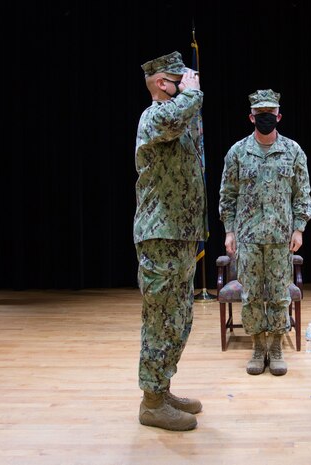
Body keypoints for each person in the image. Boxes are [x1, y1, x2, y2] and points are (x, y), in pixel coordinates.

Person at [133, 51, 207, 431]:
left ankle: (162, 389)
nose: (189, 81)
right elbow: (177, 117)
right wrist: (192, 93)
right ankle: (151, 401)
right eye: (181, 78)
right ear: (164, 83)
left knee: (178, 318)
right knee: (161, 319)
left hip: (179, 235)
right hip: (160, 237)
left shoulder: (176, 120)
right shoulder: (156, 117)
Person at [219, 89, 311, 376]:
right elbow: (228, 195)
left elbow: (302, 194)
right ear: (251, 117)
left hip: (280, 238)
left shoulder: (293, 151)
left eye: (269, 116)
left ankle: (276, 347)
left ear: (278, 117)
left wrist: (299, 228)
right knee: (252, 296)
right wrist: (229, 231)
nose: (265, 120)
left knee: (278, 295)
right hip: (248, 238)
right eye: (260, 116)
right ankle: (258, 348)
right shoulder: (237, 152)